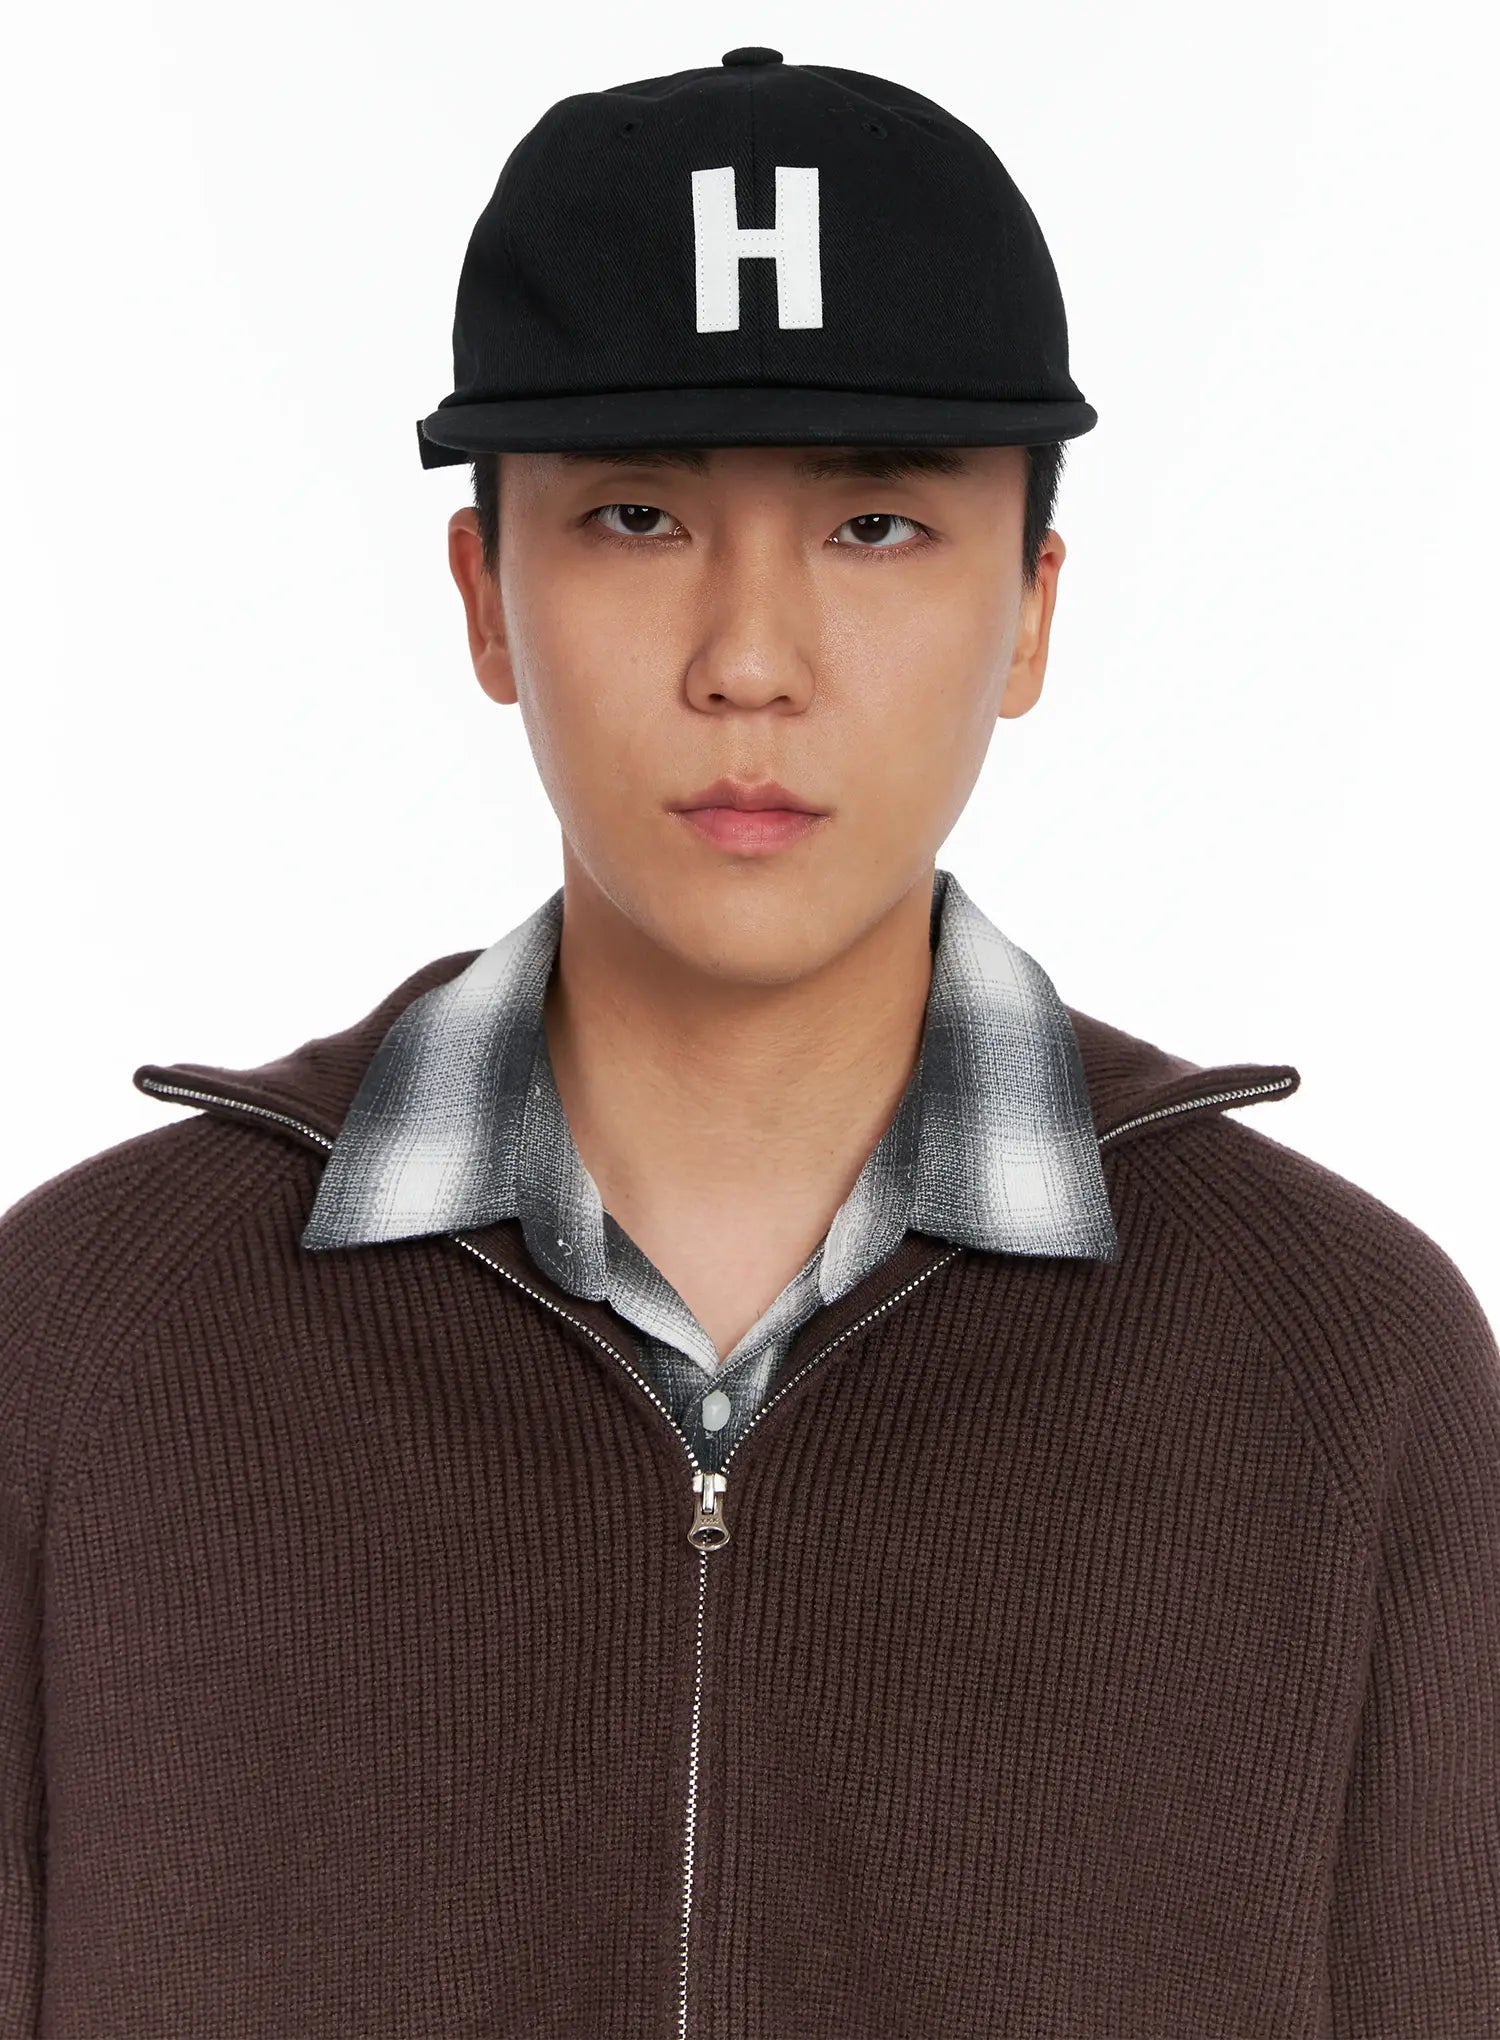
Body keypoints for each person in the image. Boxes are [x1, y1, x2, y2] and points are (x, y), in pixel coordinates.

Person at [2, 46, 1496, 2040]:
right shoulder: (84, 1348)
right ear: (487, 596)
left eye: (876, 527)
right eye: (636, 517)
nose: (751, 662)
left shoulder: (1340, 1366)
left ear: (1032, 609)